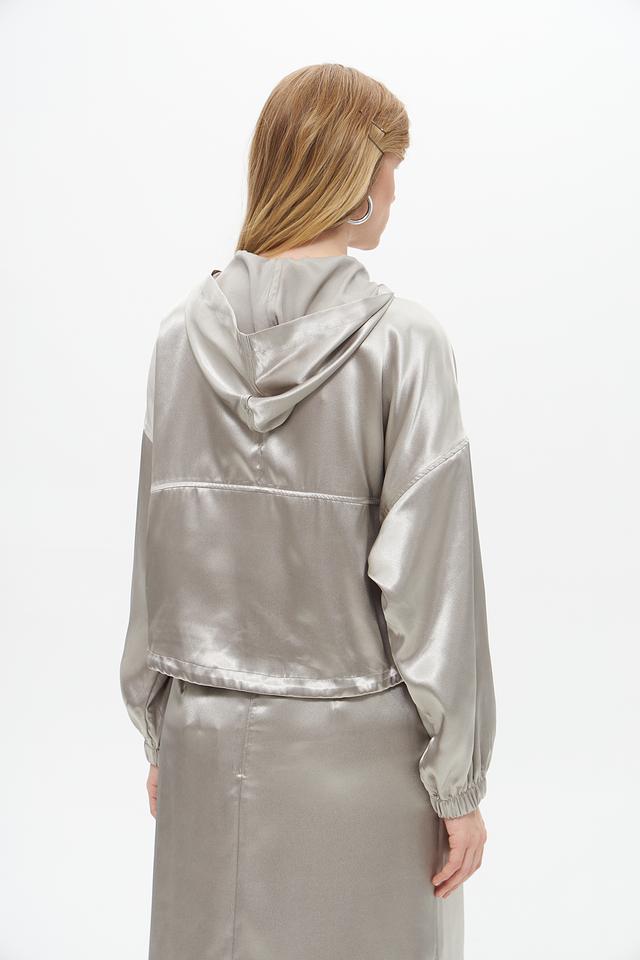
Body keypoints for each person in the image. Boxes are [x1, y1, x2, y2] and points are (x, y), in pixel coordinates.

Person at [120, 62, 497, 960]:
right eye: (390, 168)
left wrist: (162, 731)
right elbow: (433, 585)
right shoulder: (404, 344)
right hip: (364, 765)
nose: (395, 193)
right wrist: (459, 786)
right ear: (354, 180)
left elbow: (157, 556)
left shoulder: (177, 340)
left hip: (207, 748)